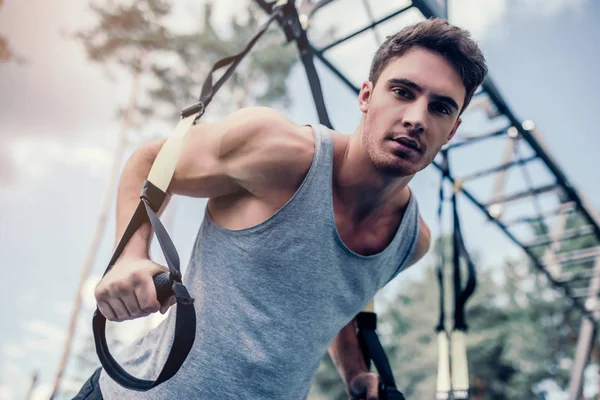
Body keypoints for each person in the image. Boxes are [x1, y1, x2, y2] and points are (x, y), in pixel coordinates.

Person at [75, 17, 487, 400]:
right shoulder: (276, 151)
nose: (416, 118)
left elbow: (333, 295)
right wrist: (129, 256)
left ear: (451, 130)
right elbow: (151, 162)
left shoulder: (411, 241)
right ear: (366, 96)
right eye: (402, 92)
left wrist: (354, 372)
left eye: (441, 107)